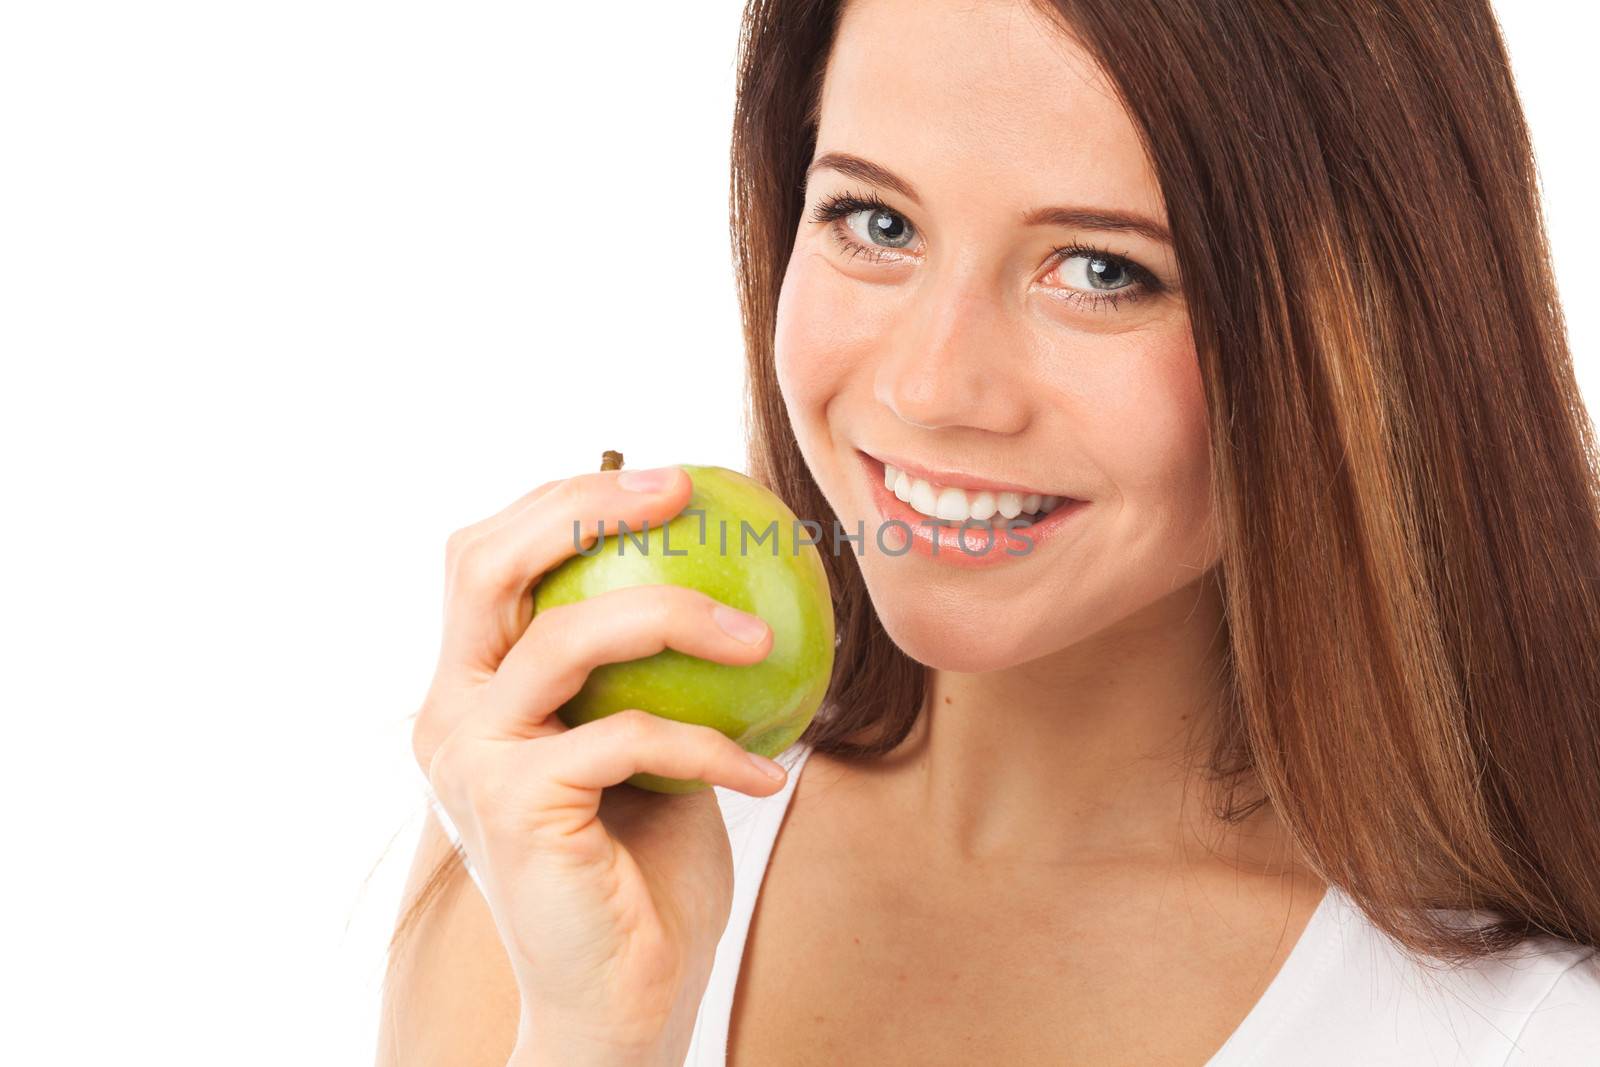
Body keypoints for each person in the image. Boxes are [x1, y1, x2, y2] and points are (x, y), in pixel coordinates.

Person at [376, 1, 1600, 1063]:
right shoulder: (554, 848)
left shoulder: (1533, 1027)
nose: (933, 389)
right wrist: (593, 1041)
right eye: (878, 222)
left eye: (1103, 270)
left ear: (1362, 330)